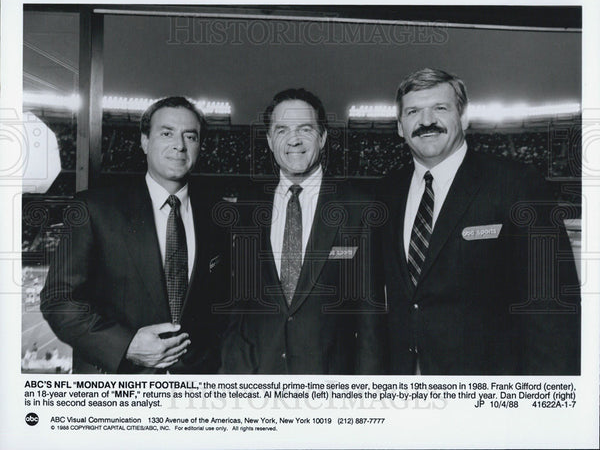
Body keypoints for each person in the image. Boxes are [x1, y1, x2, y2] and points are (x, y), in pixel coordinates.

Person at [380, 68, 580, 375]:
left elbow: (551, 308)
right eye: (413, 111)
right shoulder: (387, 193)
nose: (426, 121)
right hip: (403, 389)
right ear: (399, 126)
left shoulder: (516, 184)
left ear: (463, 118)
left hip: (487, 393)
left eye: (440, 108)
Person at [41, 96, 228, 373]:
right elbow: (59, 299)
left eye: (190, 136)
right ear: (144, 142)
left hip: (195, 389)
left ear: (199, 146)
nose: (179, 145)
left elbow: (225, 306)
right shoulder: (93, 208)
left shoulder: (218, 215)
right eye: (166, 133)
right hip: (118, 384)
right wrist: (125, 345)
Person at [220, 88, 385, 374]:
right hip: (255, 380)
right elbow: (236, 305)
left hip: (328, 386)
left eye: (305, 129)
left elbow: (369, 317)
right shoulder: (246, 208)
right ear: (270, 141)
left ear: (322, 138)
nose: (293, 139)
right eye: (282, 130)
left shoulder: (358, 207)